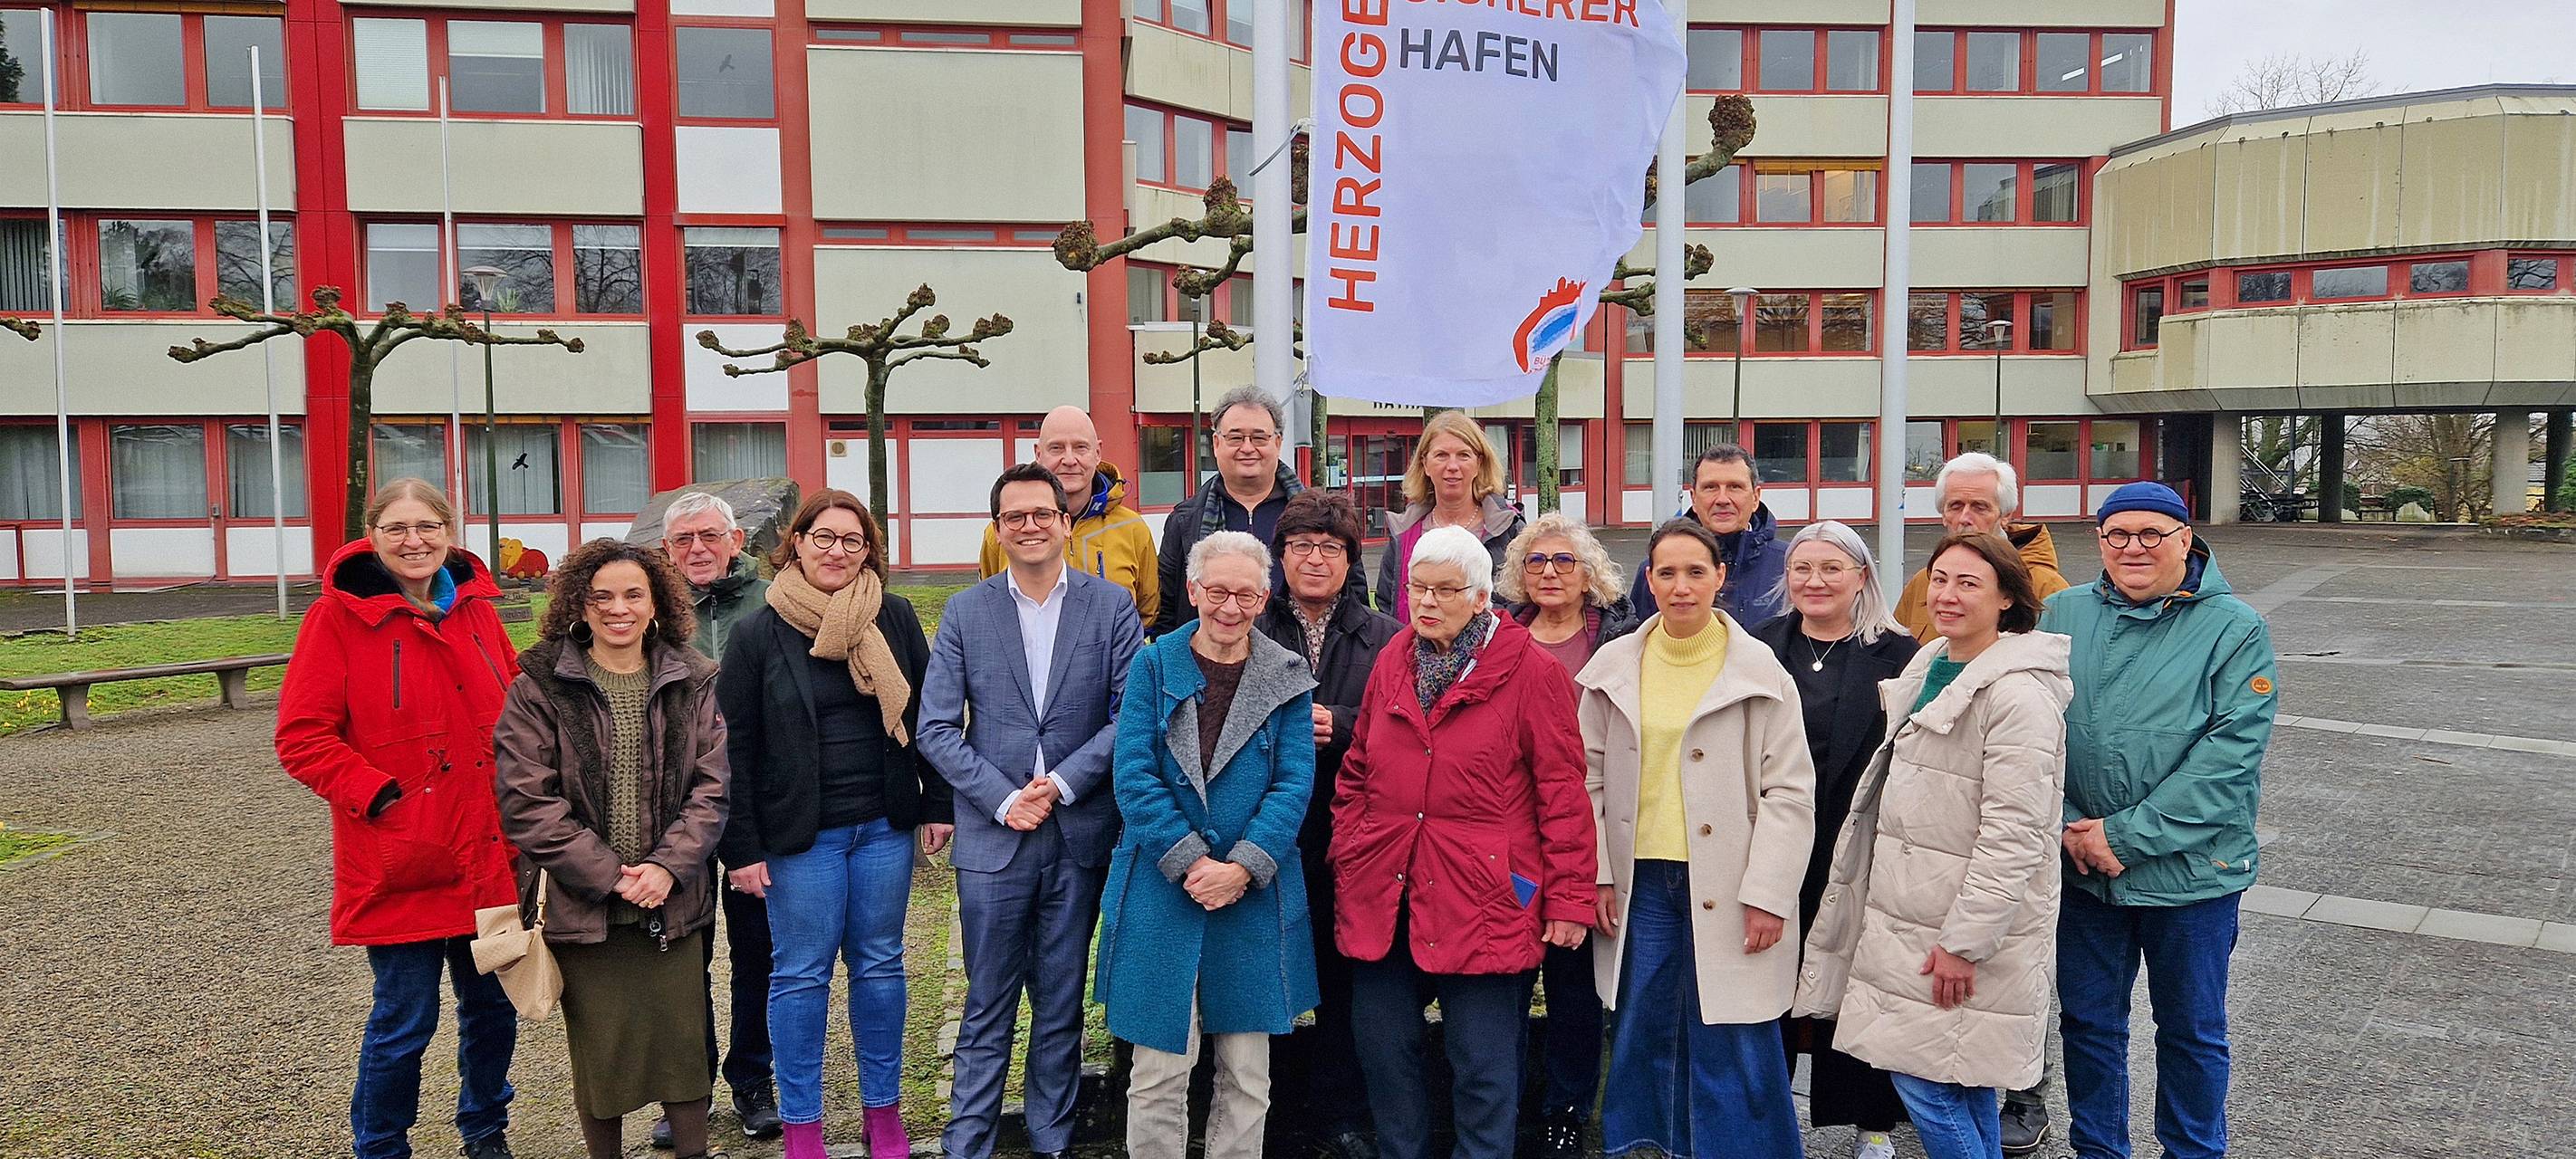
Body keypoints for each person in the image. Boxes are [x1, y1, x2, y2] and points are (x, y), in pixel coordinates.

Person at [1793, 532, 2071, 1159]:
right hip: (1913, 918)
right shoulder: (1933, 661)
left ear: (2007, 599)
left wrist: (1965, 942)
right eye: (1940, 578)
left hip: (1958, 930)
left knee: (1928, 1086)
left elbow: (2015, 835)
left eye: (1969, 583)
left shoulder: (2018, 693)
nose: (1947, 595)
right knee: (1961, 1082)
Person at [274, 478, 523, 1159]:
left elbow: (517, 711)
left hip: (487, 851)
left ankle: (485, 1129)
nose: (414, 541)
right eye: (397, 528)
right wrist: (382, 795)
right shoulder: (335, 619)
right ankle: (381, 1145)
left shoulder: (478, 612)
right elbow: (302, 736)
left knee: (493, 1011)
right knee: (404, 1021)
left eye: (427, 527)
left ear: (449, 531)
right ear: (372, 535)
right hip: (404, 855)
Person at [1331, 525, 1597, 1159]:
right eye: (1418, 587)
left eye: (1445, 590)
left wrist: (1567, 899)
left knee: (1483, 1066)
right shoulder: (1395, 656)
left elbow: (1562, 791)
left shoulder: (1530, 669)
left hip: (1485, 895)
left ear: (1481, 598)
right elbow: (1359, 767)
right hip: (1385, 885)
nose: (1426, 601)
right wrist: (1352, 847)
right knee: (1385, 1052)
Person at [2041, 482, 2276, 1159]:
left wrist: (2122, 836)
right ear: (2100, 541)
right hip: (2084, 871)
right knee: (2089, 1026)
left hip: (2193, 877)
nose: (2133, 547)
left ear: (2184, 540)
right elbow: (2029, 733)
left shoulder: (2235, 628)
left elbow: (2229, 757)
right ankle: (2099, 1150)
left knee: (2192, 1030)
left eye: (2151, 534)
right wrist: (2065, 823)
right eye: (2118, 534)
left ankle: (2193, 1152)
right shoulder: (2062, 611)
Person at [920, 464, 1147, 1159]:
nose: (1029, 526)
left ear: (1065, 522)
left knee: (1059, 1004)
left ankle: (1051, 1140)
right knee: (987, 1003)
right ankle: (970, 1142)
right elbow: (934, 727)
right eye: (1014, 516)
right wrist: (1003, 796)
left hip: (1078, 833)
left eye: (1041, 514)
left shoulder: (1110, 607)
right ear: (998, 529)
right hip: (995, 838)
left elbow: (1129, 715)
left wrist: (1064, 783)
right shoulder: (966, 610)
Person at [714, 489, 947, 1159]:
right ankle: (805, 1128)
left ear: (868, 549)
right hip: (799, 838)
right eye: (824, 537)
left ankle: (883, 1114)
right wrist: (743, 848)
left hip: (882, 826)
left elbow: (928, 716)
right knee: (800, 976)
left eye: (852, 540)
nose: (837, 550)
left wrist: (937, 804)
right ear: (797, 544)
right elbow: (733, 746)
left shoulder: (894, 617)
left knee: (879, 967)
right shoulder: (759, 631)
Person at [1579, 519, 1817, 1159]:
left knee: (1737, 1028)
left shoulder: (1760, 669)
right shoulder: (1613, 666)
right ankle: (1646, 1144)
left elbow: (1790, 793)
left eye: (1695, 572)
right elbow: (1587, 780)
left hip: (1735, 880)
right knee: (1642, 1019)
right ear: (1649, 581)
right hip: (1642, 881)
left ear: (1720, 578)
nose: (1681, 587)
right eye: (1667, 573)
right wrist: (1598, 872)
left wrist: (1769, 891)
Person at [494, 541, 732, 1159]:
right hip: (585, 907)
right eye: (601, 596)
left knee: (682, 1052)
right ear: (578, 603)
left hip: (671, 905)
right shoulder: (541, 683)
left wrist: (666, 867)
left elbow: (712, 788)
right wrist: (611, 875)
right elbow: (527, 800)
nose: (617, 609)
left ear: (657, 604)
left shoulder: (692, 677)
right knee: (603, 1058)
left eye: (633, 595)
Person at [1099, 531, 1322, 1159]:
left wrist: (1243, 867)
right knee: (1158, 1070)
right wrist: (1192, 860)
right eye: (1217, 591)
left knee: (1249, 1072)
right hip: (1162, 888)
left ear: (1264, 597)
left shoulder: (1286, 672)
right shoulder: (1153, 663)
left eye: (1245, 594)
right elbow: (1134, 775)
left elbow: (1293, 781)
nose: (1230, 606)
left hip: (1251, 894)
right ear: (1193, 590)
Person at [1747, 521, 1916, 1159]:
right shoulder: (1759, 648)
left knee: (1856, 985)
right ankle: (1768, 1121)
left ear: (1862, 577)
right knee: (1774, 989)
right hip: (1777, 843)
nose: (1814, 581)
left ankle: (1872, 1122)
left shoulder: (1899, 655)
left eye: (1831, 568)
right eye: (1802, 569)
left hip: (1860, 845)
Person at [1254, 491, 1399, 1159]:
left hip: (1356, 836)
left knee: (1346, 983)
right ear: (1280, 556)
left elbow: (1411, 728)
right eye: (1302, 546)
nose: (1315, 560)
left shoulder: (1387, 636)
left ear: (1350, 558)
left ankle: (1342, 1114)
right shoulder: (1250, 626)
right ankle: (1276, 1116)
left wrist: (1340, 724)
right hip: (1266, 833)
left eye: (1331, 548)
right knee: (1272, 978)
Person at [1493, 512, 1636, 1158]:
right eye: (1536, 562)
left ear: (1589, 576)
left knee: (1575, 986)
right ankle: (1504, 1106)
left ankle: (1568, 1110)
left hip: (1589, 832)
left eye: (1563, 562)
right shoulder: (1495, 639)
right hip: (1515, 839)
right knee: (1510, 980)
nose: (1549, 572)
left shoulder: (1618, 643)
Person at [658, 490, 782, 1145]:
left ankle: (754, 1076)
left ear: (737, 542)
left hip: (753, 801)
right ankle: (688, 1083)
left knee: (759, 951)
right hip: (674, 811)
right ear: (666, 551)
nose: (698, 550)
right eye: (684, 540)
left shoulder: (772, 603)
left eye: (710, 536)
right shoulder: (648, 611)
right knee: (683, 953)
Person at [1153, 385, 1363, 635]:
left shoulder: (1327, 518)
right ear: (1217, 443)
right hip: (1210, 662)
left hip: (1304, 661)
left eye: (1259, 438)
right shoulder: (1185, 520)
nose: (1247, 448)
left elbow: (1354, 600)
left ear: (1277, 442)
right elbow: (1167, 612)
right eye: (1236, 437)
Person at [978, 405, 1160, 625]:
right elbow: (989, 604)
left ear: (1097, 453)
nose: (1069, 459)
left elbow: (1147, 615)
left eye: (1080, 447)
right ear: (1038, 454)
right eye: (1056, 448)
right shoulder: (1005, 531)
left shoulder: (1133, 529)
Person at [1893, 453, 2071, 648]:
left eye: (1980, 507)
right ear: (1943, 515)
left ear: (2005, 515)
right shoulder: (1923, 582)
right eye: (1955, 506)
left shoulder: (2045, 587)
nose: (1964, 518)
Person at [1373, 410, 1526, 620]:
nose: (1452, 466)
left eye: (1463, 455)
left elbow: (1523, 607)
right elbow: (1386, 608)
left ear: (1479, 463)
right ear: (1425, 464)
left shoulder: (1509, 531)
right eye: (1441, 455)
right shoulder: (1403, 534)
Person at [1629, 444, 1791, 625]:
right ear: (1694, 498)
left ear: (1755, 498)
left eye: (1735, 487)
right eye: (1710, 487)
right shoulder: (1660, 568)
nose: (1722, 499)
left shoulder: (1788, 566)